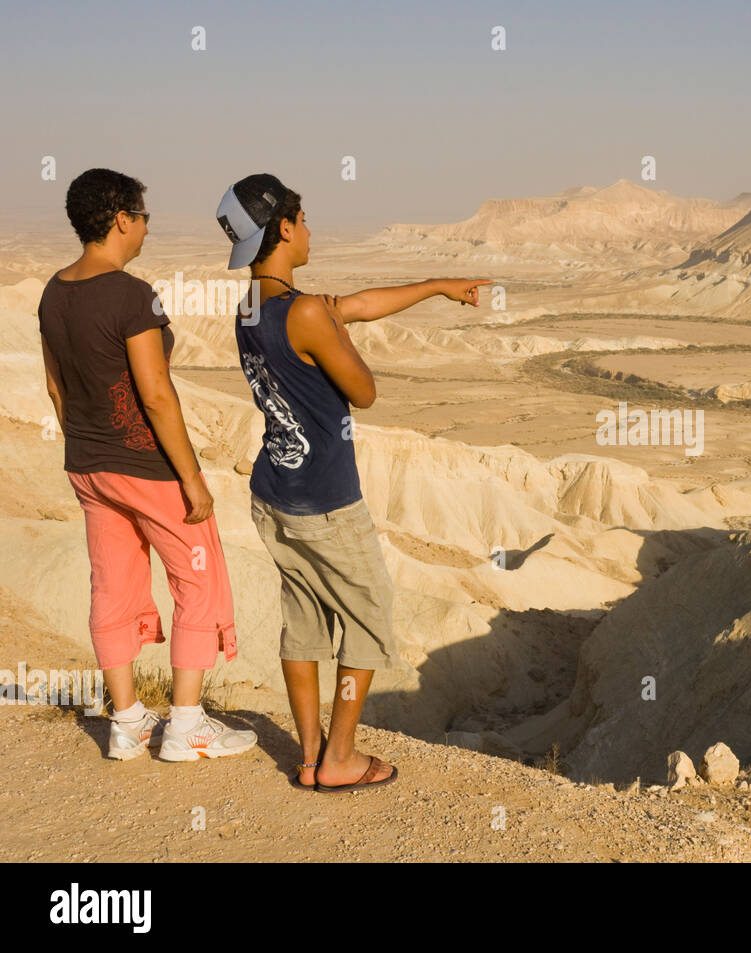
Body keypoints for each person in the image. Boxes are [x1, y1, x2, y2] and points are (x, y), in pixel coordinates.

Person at [216, 173, 489, 792]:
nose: (310, 229)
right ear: (283, 228)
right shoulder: (306, 312)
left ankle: (310, 755)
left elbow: (356, 306)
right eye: (303, 218)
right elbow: (364, 391)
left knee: (304, 620)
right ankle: (340, 757)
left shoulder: (253, 306)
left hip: (274, 492)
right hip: (326, 502)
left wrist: (438, 287)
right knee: (368, 619)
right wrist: (336, 334)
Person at [39, 168, 255, 762]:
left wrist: (88, 444)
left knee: (112, 587)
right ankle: (186, 727)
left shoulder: (54, 291)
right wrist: (191, 480)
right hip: (147, 469)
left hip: (87, 466)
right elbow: (157, 395)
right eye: (143, 216)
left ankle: (128, 722)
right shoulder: (132, 294)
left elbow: (57, 389)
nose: (146, 228)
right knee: (199, 582)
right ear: (121, 220)